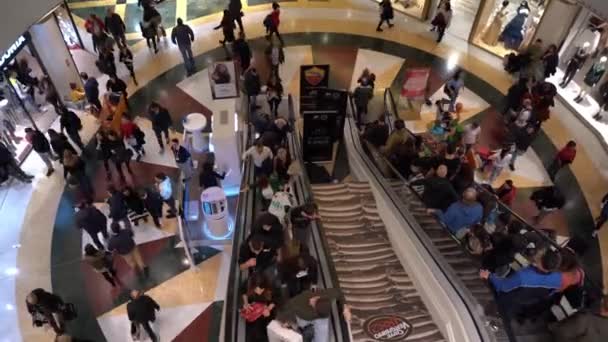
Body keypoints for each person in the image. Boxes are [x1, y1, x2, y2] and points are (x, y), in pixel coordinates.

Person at [280, 288, 351, 342]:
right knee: (297, 327)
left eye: (314, 303)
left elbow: (339, 293)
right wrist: (345, 307)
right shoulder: (300, 304)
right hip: (301, 317)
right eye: (316, 299)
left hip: (318, 317)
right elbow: (338, 291)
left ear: (315, 311)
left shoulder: (312, 313)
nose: (311, 299)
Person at [242, 273, 277, 342]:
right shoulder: (248, 283)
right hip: (254, 312)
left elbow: (276, 300)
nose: (259, 292)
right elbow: (243, 292)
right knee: (254, 332)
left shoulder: (271, 286)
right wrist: (246, 303)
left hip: (266, 313)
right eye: (256, 289)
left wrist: (268, 309)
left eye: (262, 289)